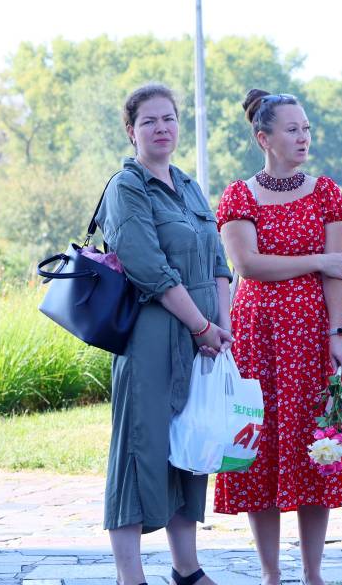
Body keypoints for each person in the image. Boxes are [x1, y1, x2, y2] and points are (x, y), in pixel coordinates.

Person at [214, 89, 342, 585]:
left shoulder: (327, 193)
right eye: (291, 129)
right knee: (258, 450)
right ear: (264, 138)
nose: (303, 136)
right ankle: (270, 574)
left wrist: (337, 333)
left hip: (313, 336)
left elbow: (338, 273)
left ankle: (313, 573)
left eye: (306, 127)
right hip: (258, 336)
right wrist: (316, 261)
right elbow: (248, 265)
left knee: (313, 448)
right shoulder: (238, 197)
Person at [96, 83, 234, 585]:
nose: (162, 128)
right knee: (141, 448)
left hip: (203, 339)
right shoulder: (127, 186)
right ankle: (130, 577)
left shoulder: (189, 184)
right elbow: (147, 267)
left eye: (170, 118)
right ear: (131, 131)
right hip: (154, 337)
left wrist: (222, 324)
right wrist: (199, 324)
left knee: (188, 446)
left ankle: (187, 569)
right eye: (150, 121)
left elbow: (218, 260)